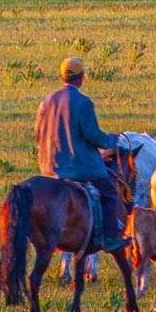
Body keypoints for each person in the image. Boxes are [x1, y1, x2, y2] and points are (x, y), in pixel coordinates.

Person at [34, 56, 127, 253]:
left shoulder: (46, 101)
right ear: (82, 77)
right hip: (79, 168)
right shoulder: (83, 102)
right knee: (109, 193)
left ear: (62, 76)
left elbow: (37, 134)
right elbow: (93, 136)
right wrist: (112, 140)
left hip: (49, 167)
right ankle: (110, 237)